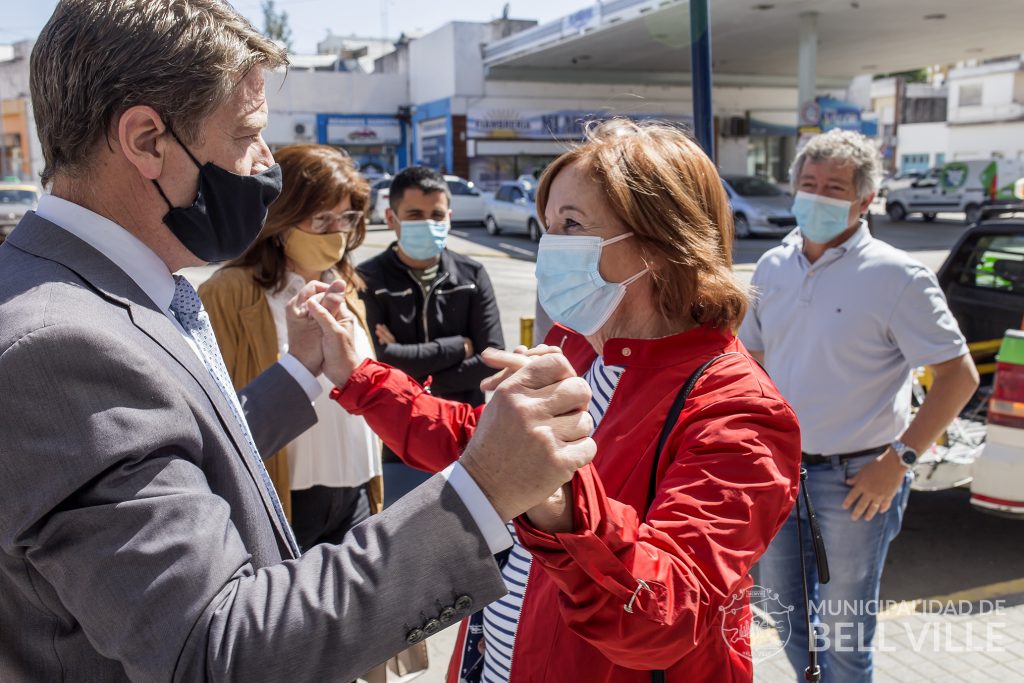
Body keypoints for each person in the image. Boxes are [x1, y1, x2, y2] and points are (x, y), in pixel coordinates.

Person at [0, 2, 597, 681]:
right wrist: (483, 490)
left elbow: (180, 453)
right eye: (248, 133)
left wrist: (303, 372)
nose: (264, 164)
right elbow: (217, 647)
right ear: (146, 140)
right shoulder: (61, 346)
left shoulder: (105, 288)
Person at [319, 119, 804, 682]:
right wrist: (359, 376)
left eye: (571, 225)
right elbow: (479, 446)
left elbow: (664, 619)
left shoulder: (737, 412)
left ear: (662, 243)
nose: (550, 247)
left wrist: (565, 501)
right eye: (549, 227)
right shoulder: (577, 343)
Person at [739, 129, 980, 683]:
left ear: (865, 199)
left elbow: (957, 377)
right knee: (786, 617)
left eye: (835, 187)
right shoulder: (773, 267)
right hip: (780, 474)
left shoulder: (898, 276)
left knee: (844, 634)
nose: (818, 197)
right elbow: (751, 359)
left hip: (858, 483)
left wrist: (899, 461)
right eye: (808, 184)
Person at [199, 144, 384, 549]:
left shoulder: (346, 286)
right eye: (321, 219)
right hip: (287, 498)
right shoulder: (229, 294)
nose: (337, 233)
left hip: (356, 490)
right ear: (281, 221)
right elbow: (215, 416)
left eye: (347, 218)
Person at [358, 165, 504, 407]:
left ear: (449, 217)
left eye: (436, 215)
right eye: (415, 215)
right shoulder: (368, 279)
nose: (427, 223)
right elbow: (376, 361)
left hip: (463, 428)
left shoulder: (472, 275)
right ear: (390, 219)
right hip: (394, 429)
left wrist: (413, 372)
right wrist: (459, 346)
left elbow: (492, 359)